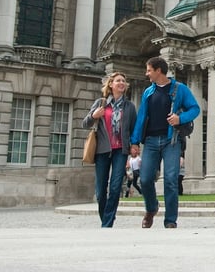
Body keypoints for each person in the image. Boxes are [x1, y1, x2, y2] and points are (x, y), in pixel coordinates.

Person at [132, 56, 201, 229]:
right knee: (145, 179)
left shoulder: (180, 89)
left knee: (171, 180)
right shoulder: (148, 92)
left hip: (172, 140)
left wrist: (180, 118)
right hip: (150, 141)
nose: (146, 73)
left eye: (149, 70)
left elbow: (195, 108)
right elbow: (141, 118)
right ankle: (151, 208)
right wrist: (134, 141)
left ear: (158, 70)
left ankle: (170, 220)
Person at [82, 72, 137, 228]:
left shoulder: (130, 106)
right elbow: (84, 123)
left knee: (115, 187)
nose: (121, 83)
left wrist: (134, 144)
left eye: (124, 81)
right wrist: (94, 115)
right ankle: (106, 219)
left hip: (121, 150)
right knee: (100, 192)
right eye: (118, 80)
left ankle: (107, 224)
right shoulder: (101, 103)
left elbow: (134, 129)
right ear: (111, 84)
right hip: (102, 150)